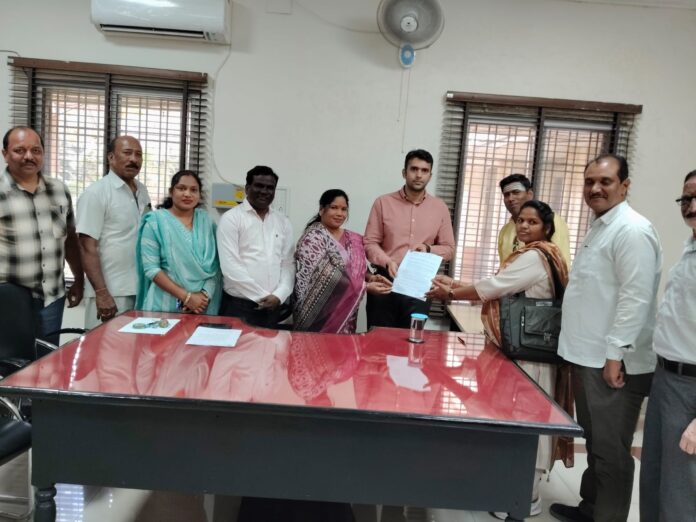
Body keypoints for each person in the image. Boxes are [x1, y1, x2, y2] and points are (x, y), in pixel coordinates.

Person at [427, 199, 570, 519]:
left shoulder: (535, 256)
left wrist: (451, 292)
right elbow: (501, 287)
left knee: (527, 421)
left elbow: (494, 287)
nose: (524, 226)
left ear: (547, 228)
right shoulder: (540, 254)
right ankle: (513, 487)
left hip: (529, 355)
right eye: (521, 221)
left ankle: (526, 495)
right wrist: (456, 284)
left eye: (532, 222)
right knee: (514, 419)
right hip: (525, 350)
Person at [551, 154, 661, 522]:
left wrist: (615, 355)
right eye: (589, 182)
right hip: (589, 355)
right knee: (596, 442)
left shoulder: (632, 230)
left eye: (606, 181)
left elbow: (636, 298)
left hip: (613, 363)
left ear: (625, 186)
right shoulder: (601, 226)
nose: (595, 188)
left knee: (611, 451)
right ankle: (591, 509)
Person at [639, 170, 696, 522]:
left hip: (691, 388)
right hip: (666, 378)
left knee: (680, 492)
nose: (691, 205)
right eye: (686, 198)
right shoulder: (690, 249)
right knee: (654, 480)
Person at [0, 126, 84, 346]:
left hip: (52, 298)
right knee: (11, 361)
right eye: (20, 150)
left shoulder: (59, 190)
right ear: (5, 154)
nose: (29, 156)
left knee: (48, 359)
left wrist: (79, 279)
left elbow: (70, 239)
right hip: (10, 302)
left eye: (36, 150)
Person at [364, 149, 455, 328]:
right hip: (385, 281)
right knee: (378, 341)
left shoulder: (440, 208)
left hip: (419, 285)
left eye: (424, 170)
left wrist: (428, 248)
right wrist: (387, 261)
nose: (419, 175)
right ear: (404, 173)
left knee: (412, 340)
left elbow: (449, 249)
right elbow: (370, 243)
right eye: (414, 169)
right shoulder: (383, 203)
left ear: (430, 175)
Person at [77, 135, 151, 329]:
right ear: (111, 157)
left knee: (136, 346)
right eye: (127, 153)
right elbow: (86, 247)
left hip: (140, 289)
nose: (133, 159)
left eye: (138, 155)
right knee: (103, 346)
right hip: (111, 292)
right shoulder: (96, 193)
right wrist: (102, 293)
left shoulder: (142, 191)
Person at [293, 189, 392, 333]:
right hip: (316, 316)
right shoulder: (312, 238)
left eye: (344, 209)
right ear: (321, 210)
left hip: (347, 316)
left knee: (343, 347)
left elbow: (358, 268)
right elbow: (324, 275)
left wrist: (370, 277)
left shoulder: (354, 239)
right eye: (334, 208)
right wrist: (365, 287)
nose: (340, 213)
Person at [216, 165, 294, 328]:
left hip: (274, 305)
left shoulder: (282, 221)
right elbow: (230, 267)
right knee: (237, 345)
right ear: (247, 188)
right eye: (259, 186)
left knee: (269, 345)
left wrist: (280, 294)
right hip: (239, 305)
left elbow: (287, 263)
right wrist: (262, 296)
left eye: (270, 188)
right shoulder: (231, 219)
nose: (264, 191)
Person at [135, 170, 221, 315]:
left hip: (202, 306)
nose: (187, 194)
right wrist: (187, 297)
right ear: (171, 192)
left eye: (193, 190)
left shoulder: (207, 222)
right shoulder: (155, 222)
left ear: (199, 195)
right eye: (181, 188)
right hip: (163, 305)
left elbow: (216, 265)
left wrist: (204, 296)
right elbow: (151, 269)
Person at [498, 173, 571, 267]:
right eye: (506, 195)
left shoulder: (551, 221)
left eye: (516, 192)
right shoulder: (505, 231)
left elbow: (560, 262)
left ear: (530, 194)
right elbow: (503, 266)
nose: (511, 198)